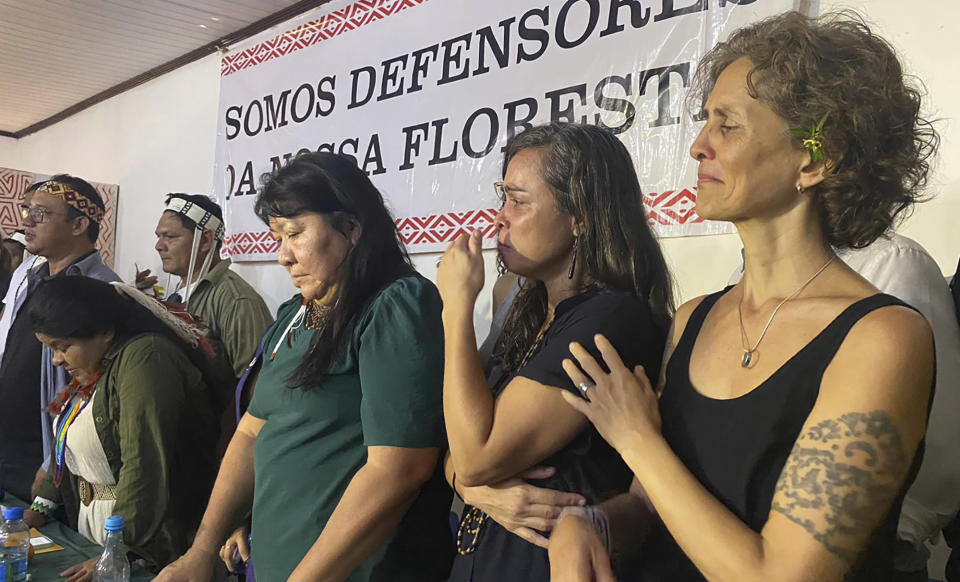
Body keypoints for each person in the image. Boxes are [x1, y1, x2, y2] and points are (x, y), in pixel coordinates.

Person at [548, 11, 938, 582]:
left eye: (727, 126)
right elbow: (655, 505)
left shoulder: (883, 339)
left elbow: (781, 575)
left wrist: (635, 436)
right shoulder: (693, 320)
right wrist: (593, 524)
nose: (699, 147)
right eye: (705, 122)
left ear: (815, 157)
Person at [155, 152, 453, 582]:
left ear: (351, 229)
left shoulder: (395, 305)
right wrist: (202, 549)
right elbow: (253, 433)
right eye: (277, 237)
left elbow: (399, 468)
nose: (283, 257)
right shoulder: (295, 314)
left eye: (294, 234)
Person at [438, 122, 674, 582]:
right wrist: (475, 489)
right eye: (501, 198)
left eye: (519, 201)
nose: (499, 218)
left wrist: (456, 309)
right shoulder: (529, 310)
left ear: (580, 216)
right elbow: (454, 450)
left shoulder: (608, 319)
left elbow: (476, 454)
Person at [728, 232, 960, 579]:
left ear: (809, 173)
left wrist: (877, 548)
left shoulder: (889, 265)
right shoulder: (734, 286)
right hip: (731, 554)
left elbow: (936, 458)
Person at [23, 276, 219, 578]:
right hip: (100, 527)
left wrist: (115, 552)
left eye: (63, 347)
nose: (56, 361)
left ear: (104, 332)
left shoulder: (146, 360)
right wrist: (42, 507)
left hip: (146, 544)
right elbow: (68, 441)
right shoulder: (99, 364)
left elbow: (144, 464)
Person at [0, 175, 119, 502]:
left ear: (79, 224)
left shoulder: (102, 290)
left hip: (48, 459)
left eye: (41, 213)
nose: (27, 222)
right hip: (9, 446)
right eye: (27, 211)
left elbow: (96, 389)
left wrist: (52, 461)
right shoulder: (31, 277)